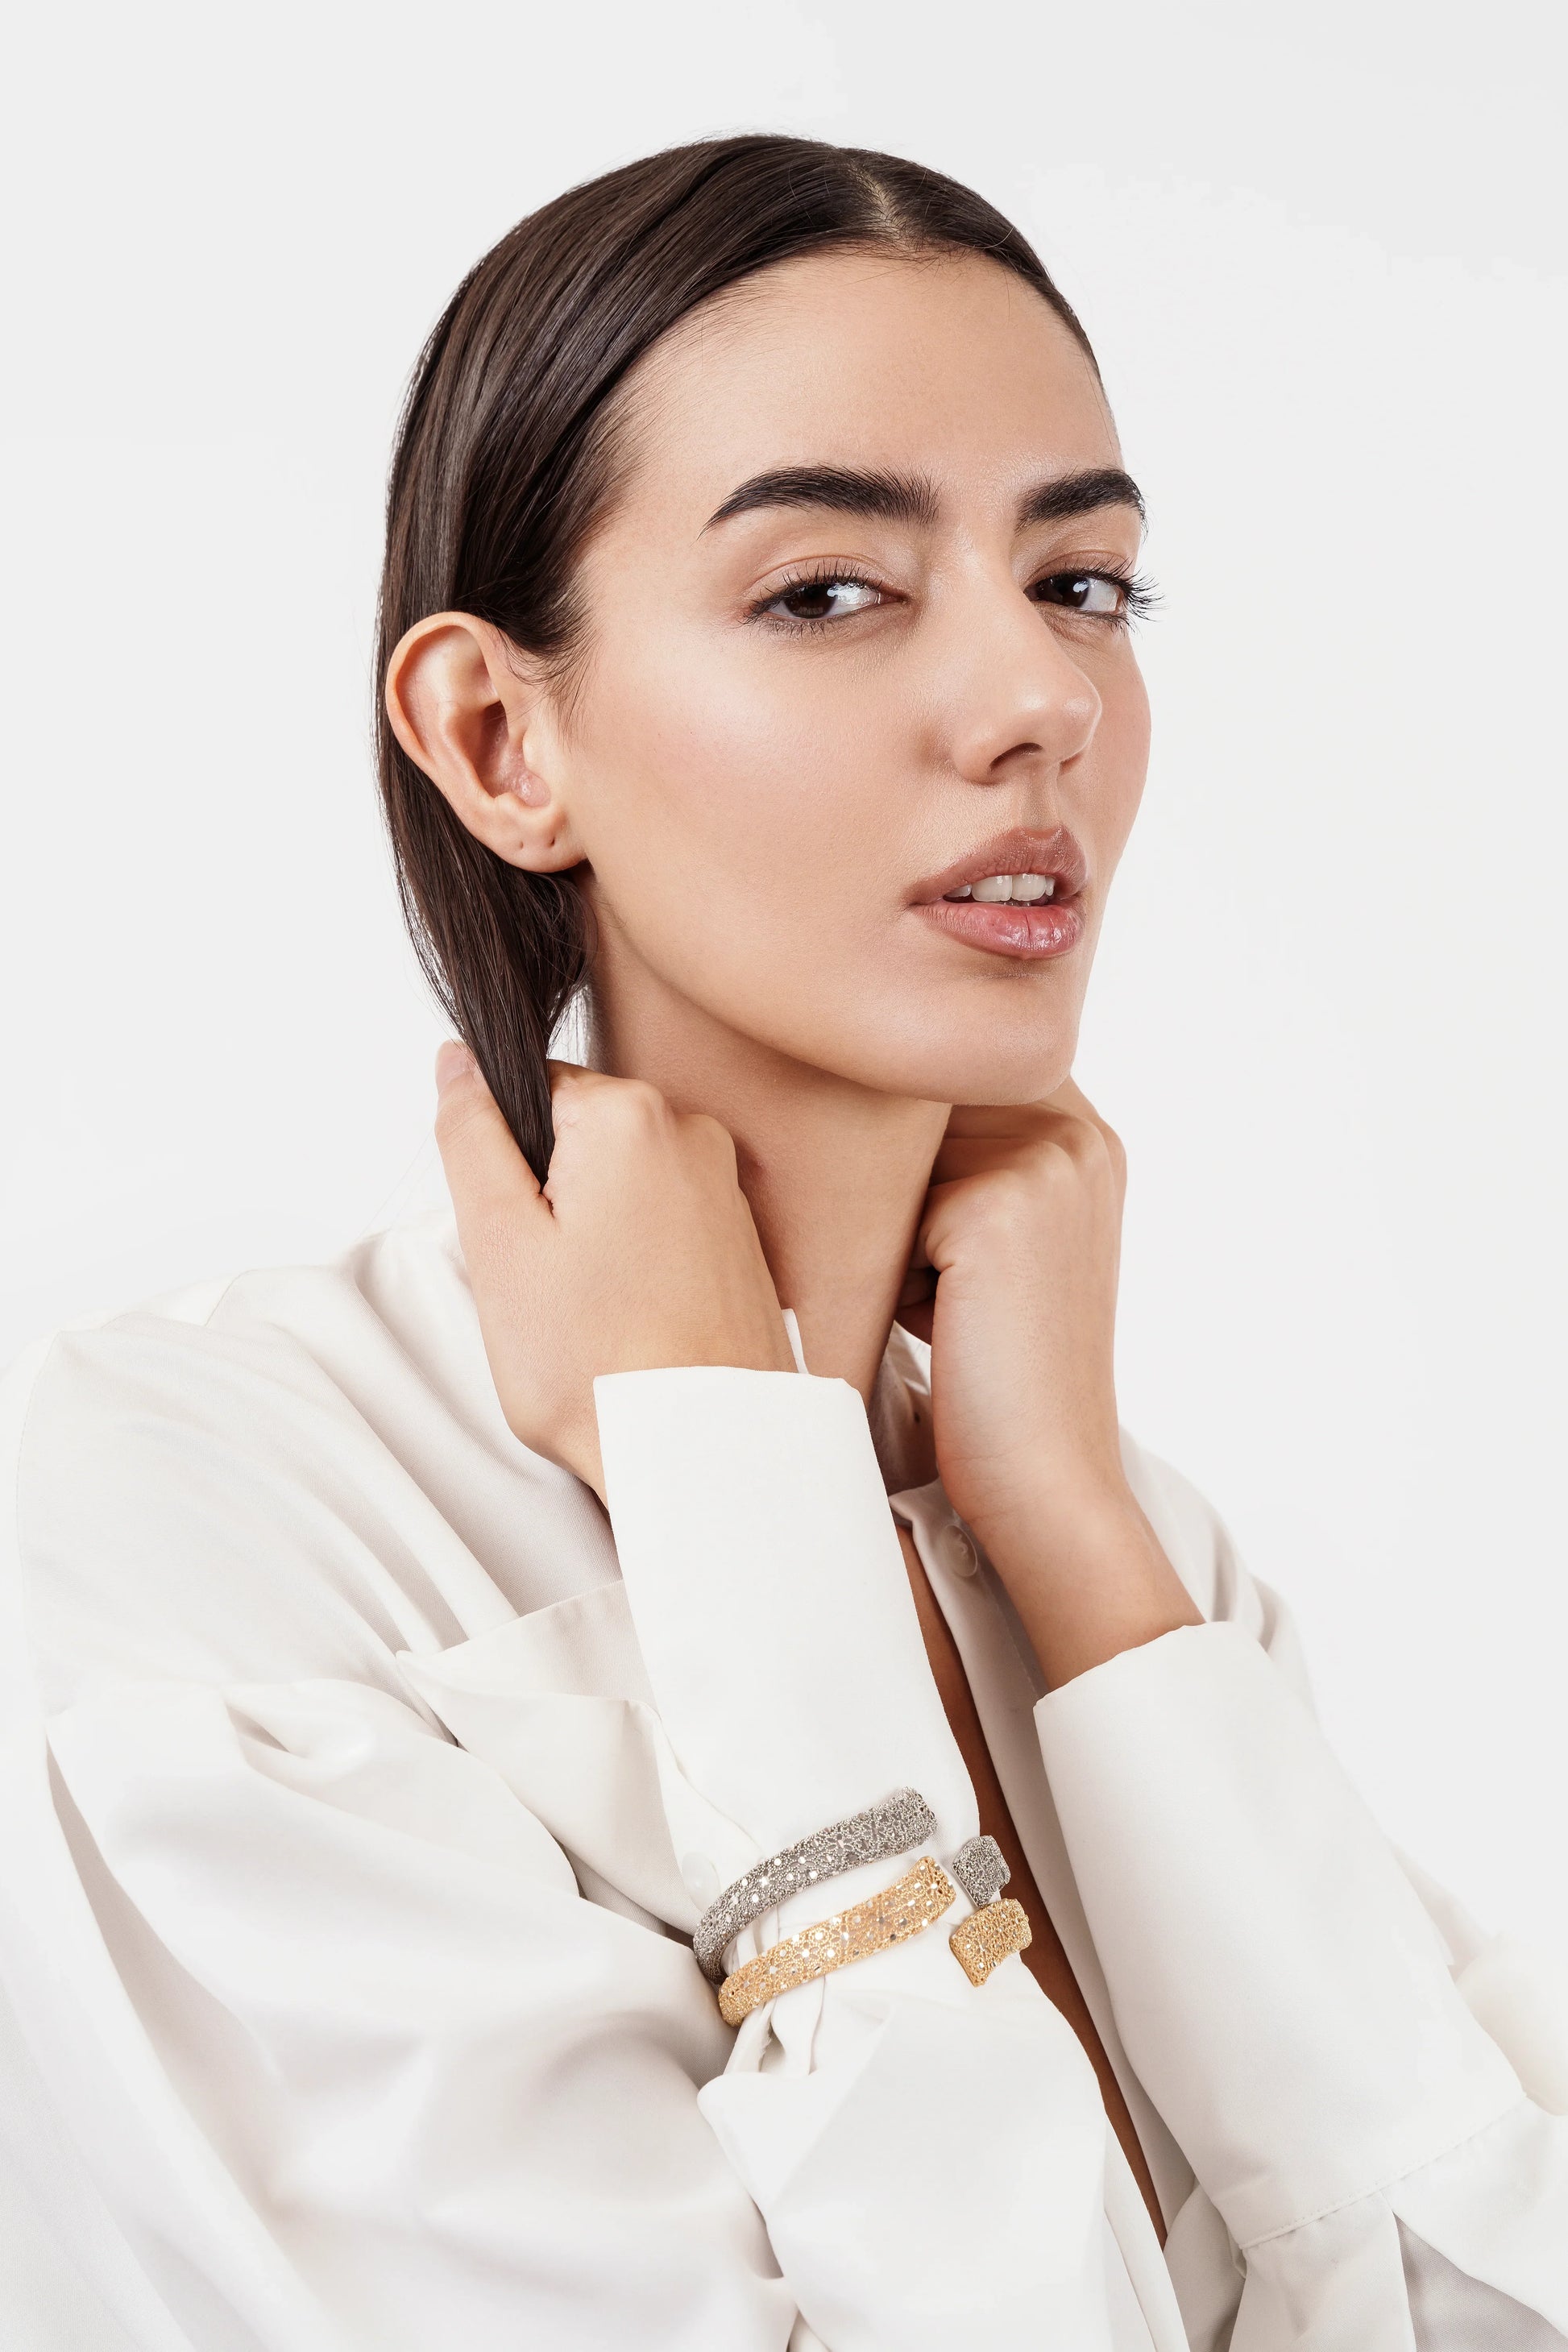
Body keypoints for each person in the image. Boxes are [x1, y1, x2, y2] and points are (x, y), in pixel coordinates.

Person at [1, 132, 1564, 2352]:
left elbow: (1476, 2297)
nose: (1032, 702)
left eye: (1082, 583)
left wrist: (1076, 1546)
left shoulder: (1117, 1555)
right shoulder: (201, 1515)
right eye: (828, 590)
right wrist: (740, 1506)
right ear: (495, 734)